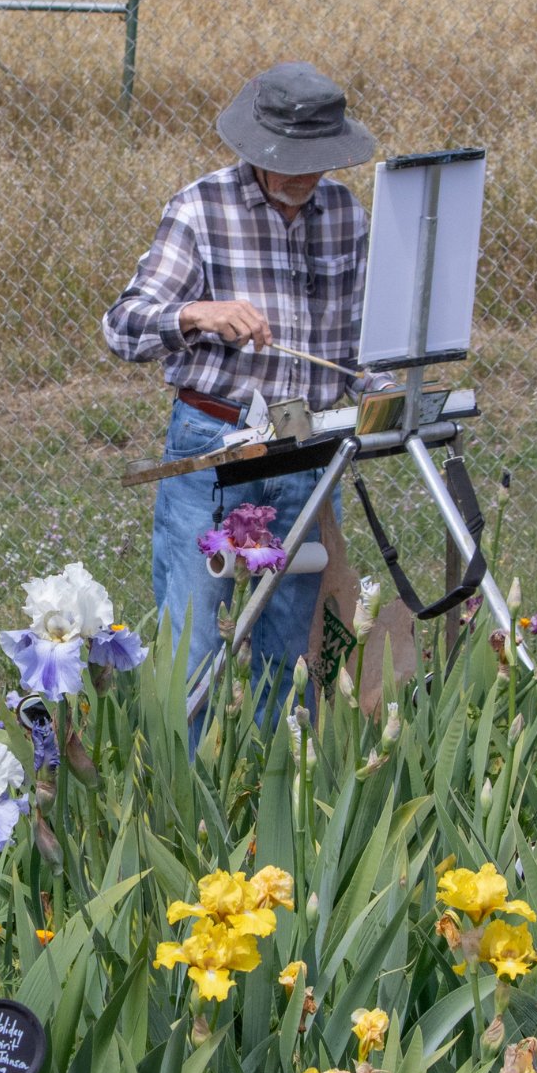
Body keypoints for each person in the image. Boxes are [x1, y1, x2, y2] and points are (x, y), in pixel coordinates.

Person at [103, 61, 383, 714]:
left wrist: (386, 389)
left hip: (308, 448)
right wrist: (197, 314)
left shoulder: (346, 215)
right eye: (289, 156)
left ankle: (282, 797)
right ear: (254, 146)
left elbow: (366, 345)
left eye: (318, 158)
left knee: (296, 646)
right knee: (195, 641)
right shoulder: (200, 208)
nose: (304, 172)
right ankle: (178, 803)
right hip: (215, 448)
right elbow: (123, 328)